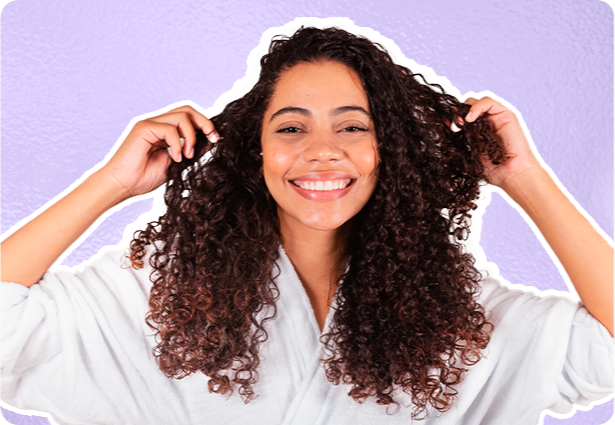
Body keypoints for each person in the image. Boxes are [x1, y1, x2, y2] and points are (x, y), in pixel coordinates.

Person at [0, 26, 614, 425]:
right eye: (291, 128)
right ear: (255, 151)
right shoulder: (157, 294)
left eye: (353, 126)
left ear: (388, 151)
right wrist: (110, 184)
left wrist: (525, 179)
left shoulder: (456, 316)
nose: (322, 151)